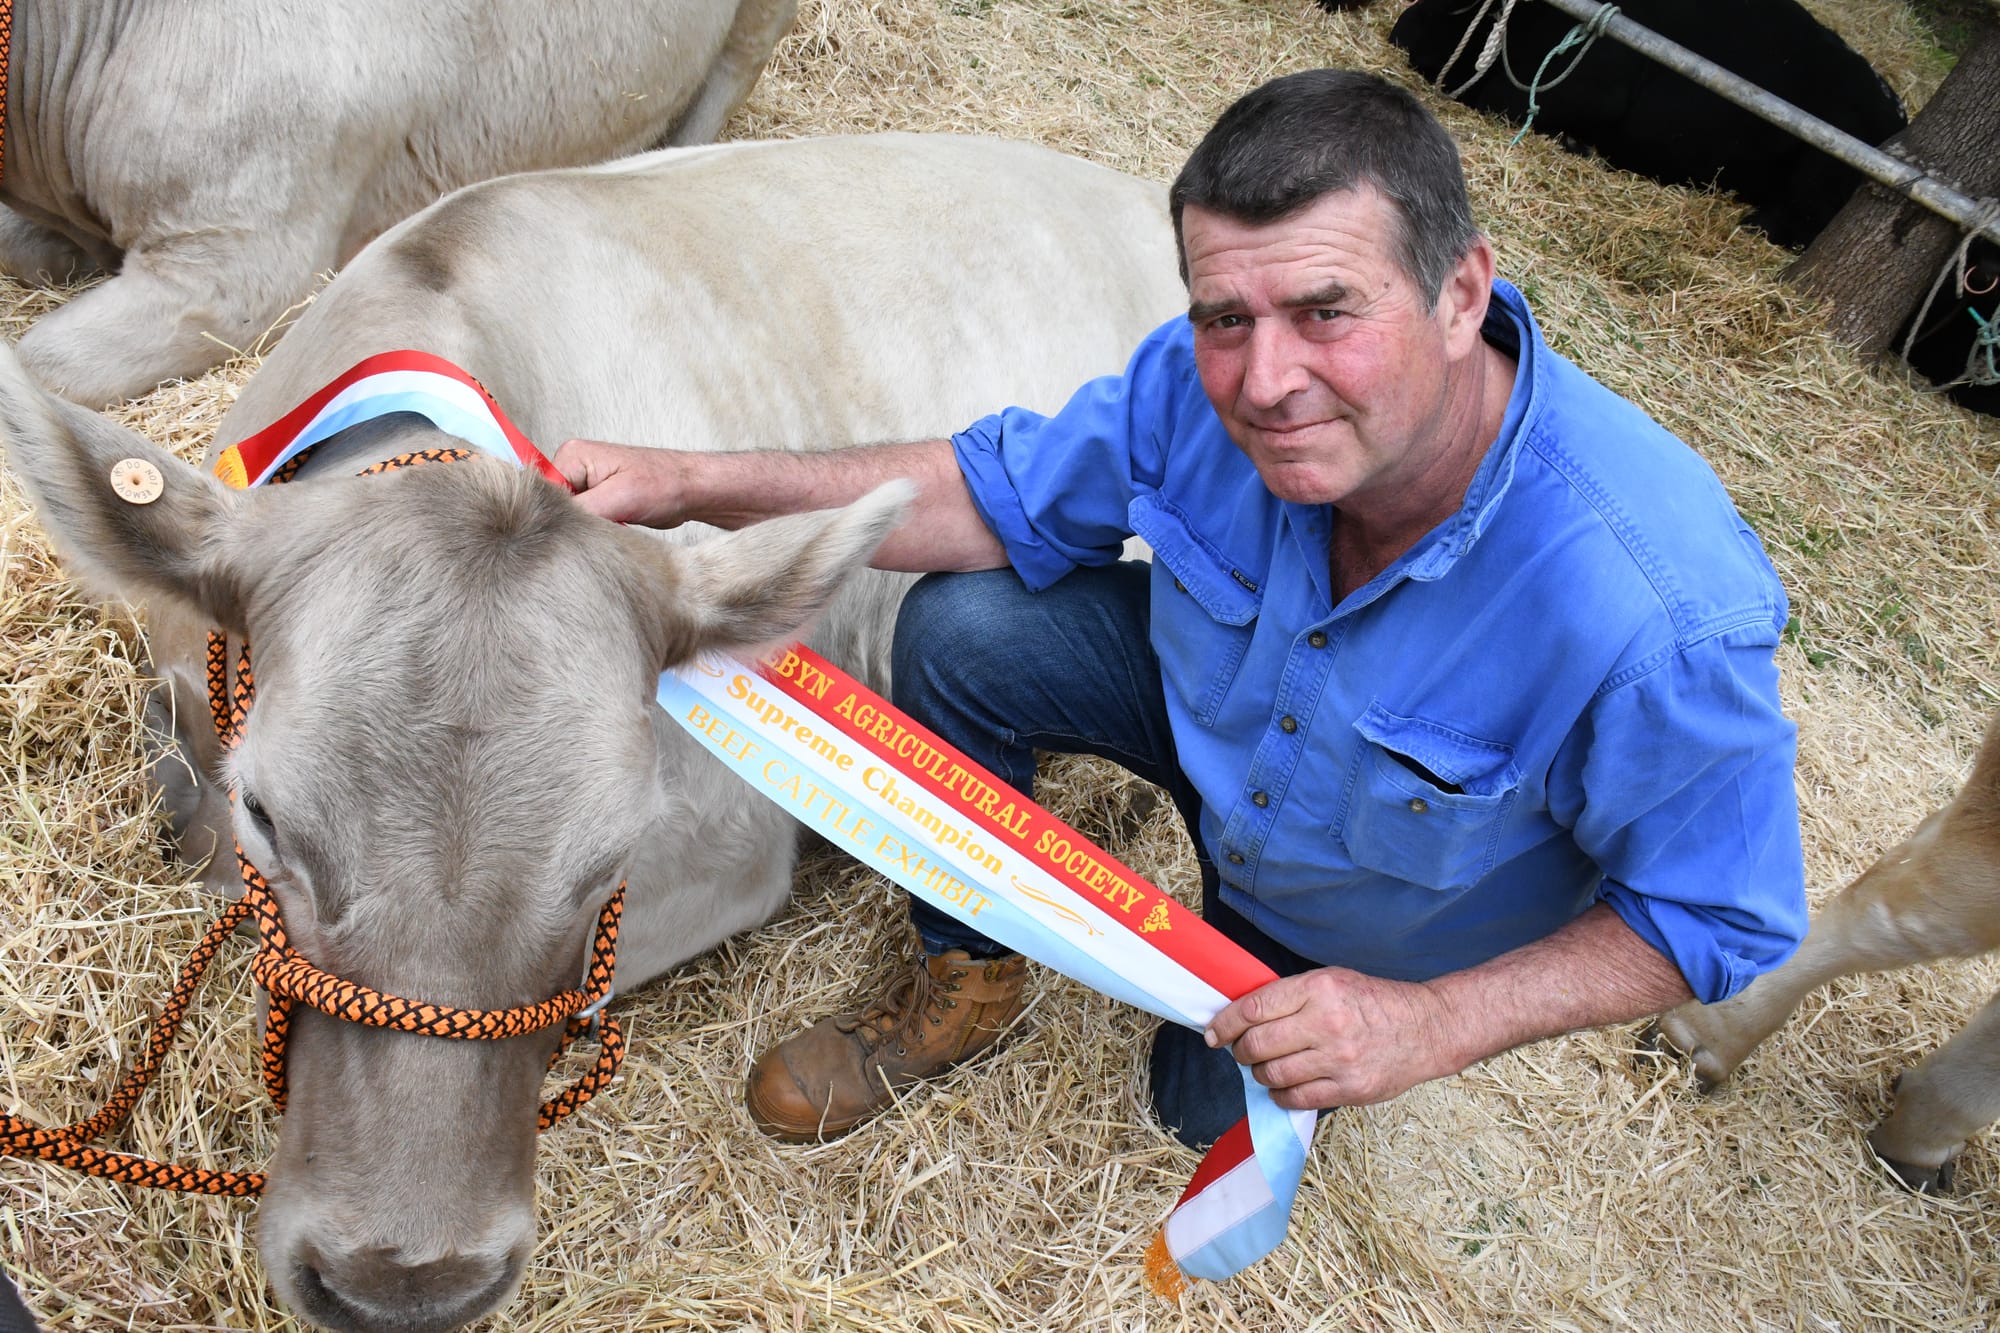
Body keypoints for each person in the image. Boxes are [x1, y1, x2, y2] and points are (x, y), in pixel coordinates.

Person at [552, 68, 1808, 1149]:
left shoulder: (1654, 609)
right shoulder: (1203, 380)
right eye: (1223, 318)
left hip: (1356, 904)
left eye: (1326, 311)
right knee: (960, 628)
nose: (1263, 381)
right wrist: (694, 484)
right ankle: (966, 971)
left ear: (1461, 291)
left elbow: (1713, 916)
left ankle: (1264, 968)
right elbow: (987, 496)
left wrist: (1424, 1021)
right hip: (1218, 718)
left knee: (1195, 1118)